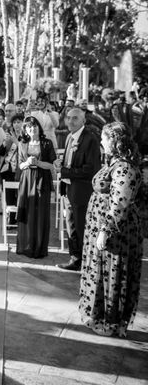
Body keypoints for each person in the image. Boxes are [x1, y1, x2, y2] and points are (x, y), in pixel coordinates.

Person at [79, 122, 143, 337]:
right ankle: (101, 318)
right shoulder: (114, 162)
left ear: (115, 142)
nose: (102, 142)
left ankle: (112, 322)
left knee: (113, 276)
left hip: (118, 234)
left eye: (105, 138)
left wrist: (105, 230)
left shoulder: (124, 167)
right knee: (100, 273)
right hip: (103, 228)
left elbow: (120, 202)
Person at [54, 107, 101, 271]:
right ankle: (75, 259)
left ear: (83, 121)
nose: (70, 121)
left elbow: (91, 170)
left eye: (75, 118)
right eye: (68, 118)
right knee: (71, 226)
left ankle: (84, 261)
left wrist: (65, 171)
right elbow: (70, 163)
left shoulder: (90, 140)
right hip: (68, 189)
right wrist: (61, 165)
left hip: (81, 192)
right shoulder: (69, 137)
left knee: (81, 227)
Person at [16, 116, 56, 259]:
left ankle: (39, 247)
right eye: (28, 127)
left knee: (41, 213)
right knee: (27, 212)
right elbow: (20, 165)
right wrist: (27, 162)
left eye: (34, 126)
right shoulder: (22, 144)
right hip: (27, 180)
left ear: (39, 127)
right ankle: (26, 246)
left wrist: (38, 163)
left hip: (42, 180)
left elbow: (52, 165)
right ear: (25, 130)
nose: (32, 129)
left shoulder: (47, 143)